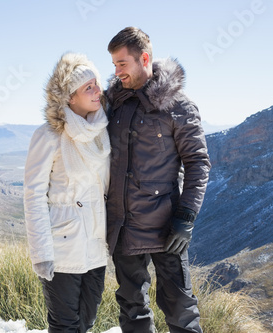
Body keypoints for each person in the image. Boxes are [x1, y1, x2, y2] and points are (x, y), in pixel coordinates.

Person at [105, 27, 211, 333]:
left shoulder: (179, 107)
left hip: (167, 229)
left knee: (180, 311)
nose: (116, 72)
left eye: (122, 64)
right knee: (131, 310)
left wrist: (186, 218)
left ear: (145, 58)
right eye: (114, 65)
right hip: (121, 227)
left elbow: (198, 163)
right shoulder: (116, 104)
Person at [24, 53, 110, 332]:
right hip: (62, 246)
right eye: (89, 87)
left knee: (87, 321)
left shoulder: (102, 130)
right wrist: (41, 253)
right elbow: (33, 195)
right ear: (70, 97)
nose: (98, 90)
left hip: (96, 243)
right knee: (64, 325)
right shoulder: (48, 135)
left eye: (96, 84)